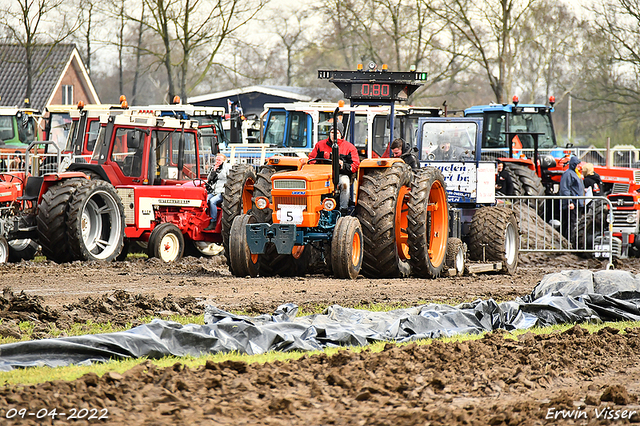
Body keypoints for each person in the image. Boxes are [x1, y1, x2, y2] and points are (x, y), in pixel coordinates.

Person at [308, 121, 360, 210]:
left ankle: (343, 209)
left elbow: (355, 165)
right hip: (322, 175)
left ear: (341, 134)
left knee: (344, 183)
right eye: (332, 132)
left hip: (340, 174)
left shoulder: (349, 147)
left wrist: (343, 165)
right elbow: (311, 160)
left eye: (337, 133)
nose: (334, 135)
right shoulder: (320, 145)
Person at [559, 156, 585, 242]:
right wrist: (569, 202)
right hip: (572, 204)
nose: (579, 166)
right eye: (578, 164)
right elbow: (565, 189)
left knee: (575, 224)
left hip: (578, 203)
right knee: (570, 224)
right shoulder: (568, 174)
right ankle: (568, 241)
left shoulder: (577, 174)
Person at [204, 153, 231, 231]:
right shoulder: (214, 167)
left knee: (212, 201)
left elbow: (229, 178)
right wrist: (214, 171)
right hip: (214, 190)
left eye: (219, 160)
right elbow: (209, 179)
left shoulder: (227, 167)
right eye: (216, 160)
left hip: (222, 191)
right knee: (205, 199)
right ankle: (205, 218)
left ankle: (213, 221)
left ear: (223, 160)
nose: (217, 161)